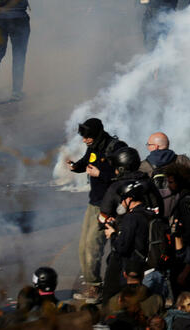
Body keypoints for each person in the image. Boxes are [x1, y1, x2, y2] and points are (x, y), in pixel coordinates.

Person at [68, 118, 126, 303]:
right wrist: (76, 167)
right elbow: (87, 161)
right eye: (83, 137)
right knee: (83, 246)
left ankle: (95, 287)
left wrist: (100, 174)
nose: (85, 140)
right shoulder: (94, 147)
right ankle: (91, 283)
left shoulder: (115, 147)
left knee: (93, 246)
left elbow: (123, 174)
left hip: (107, 205)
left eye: (87, 137)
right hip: (93, 203)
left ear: (97, 133)